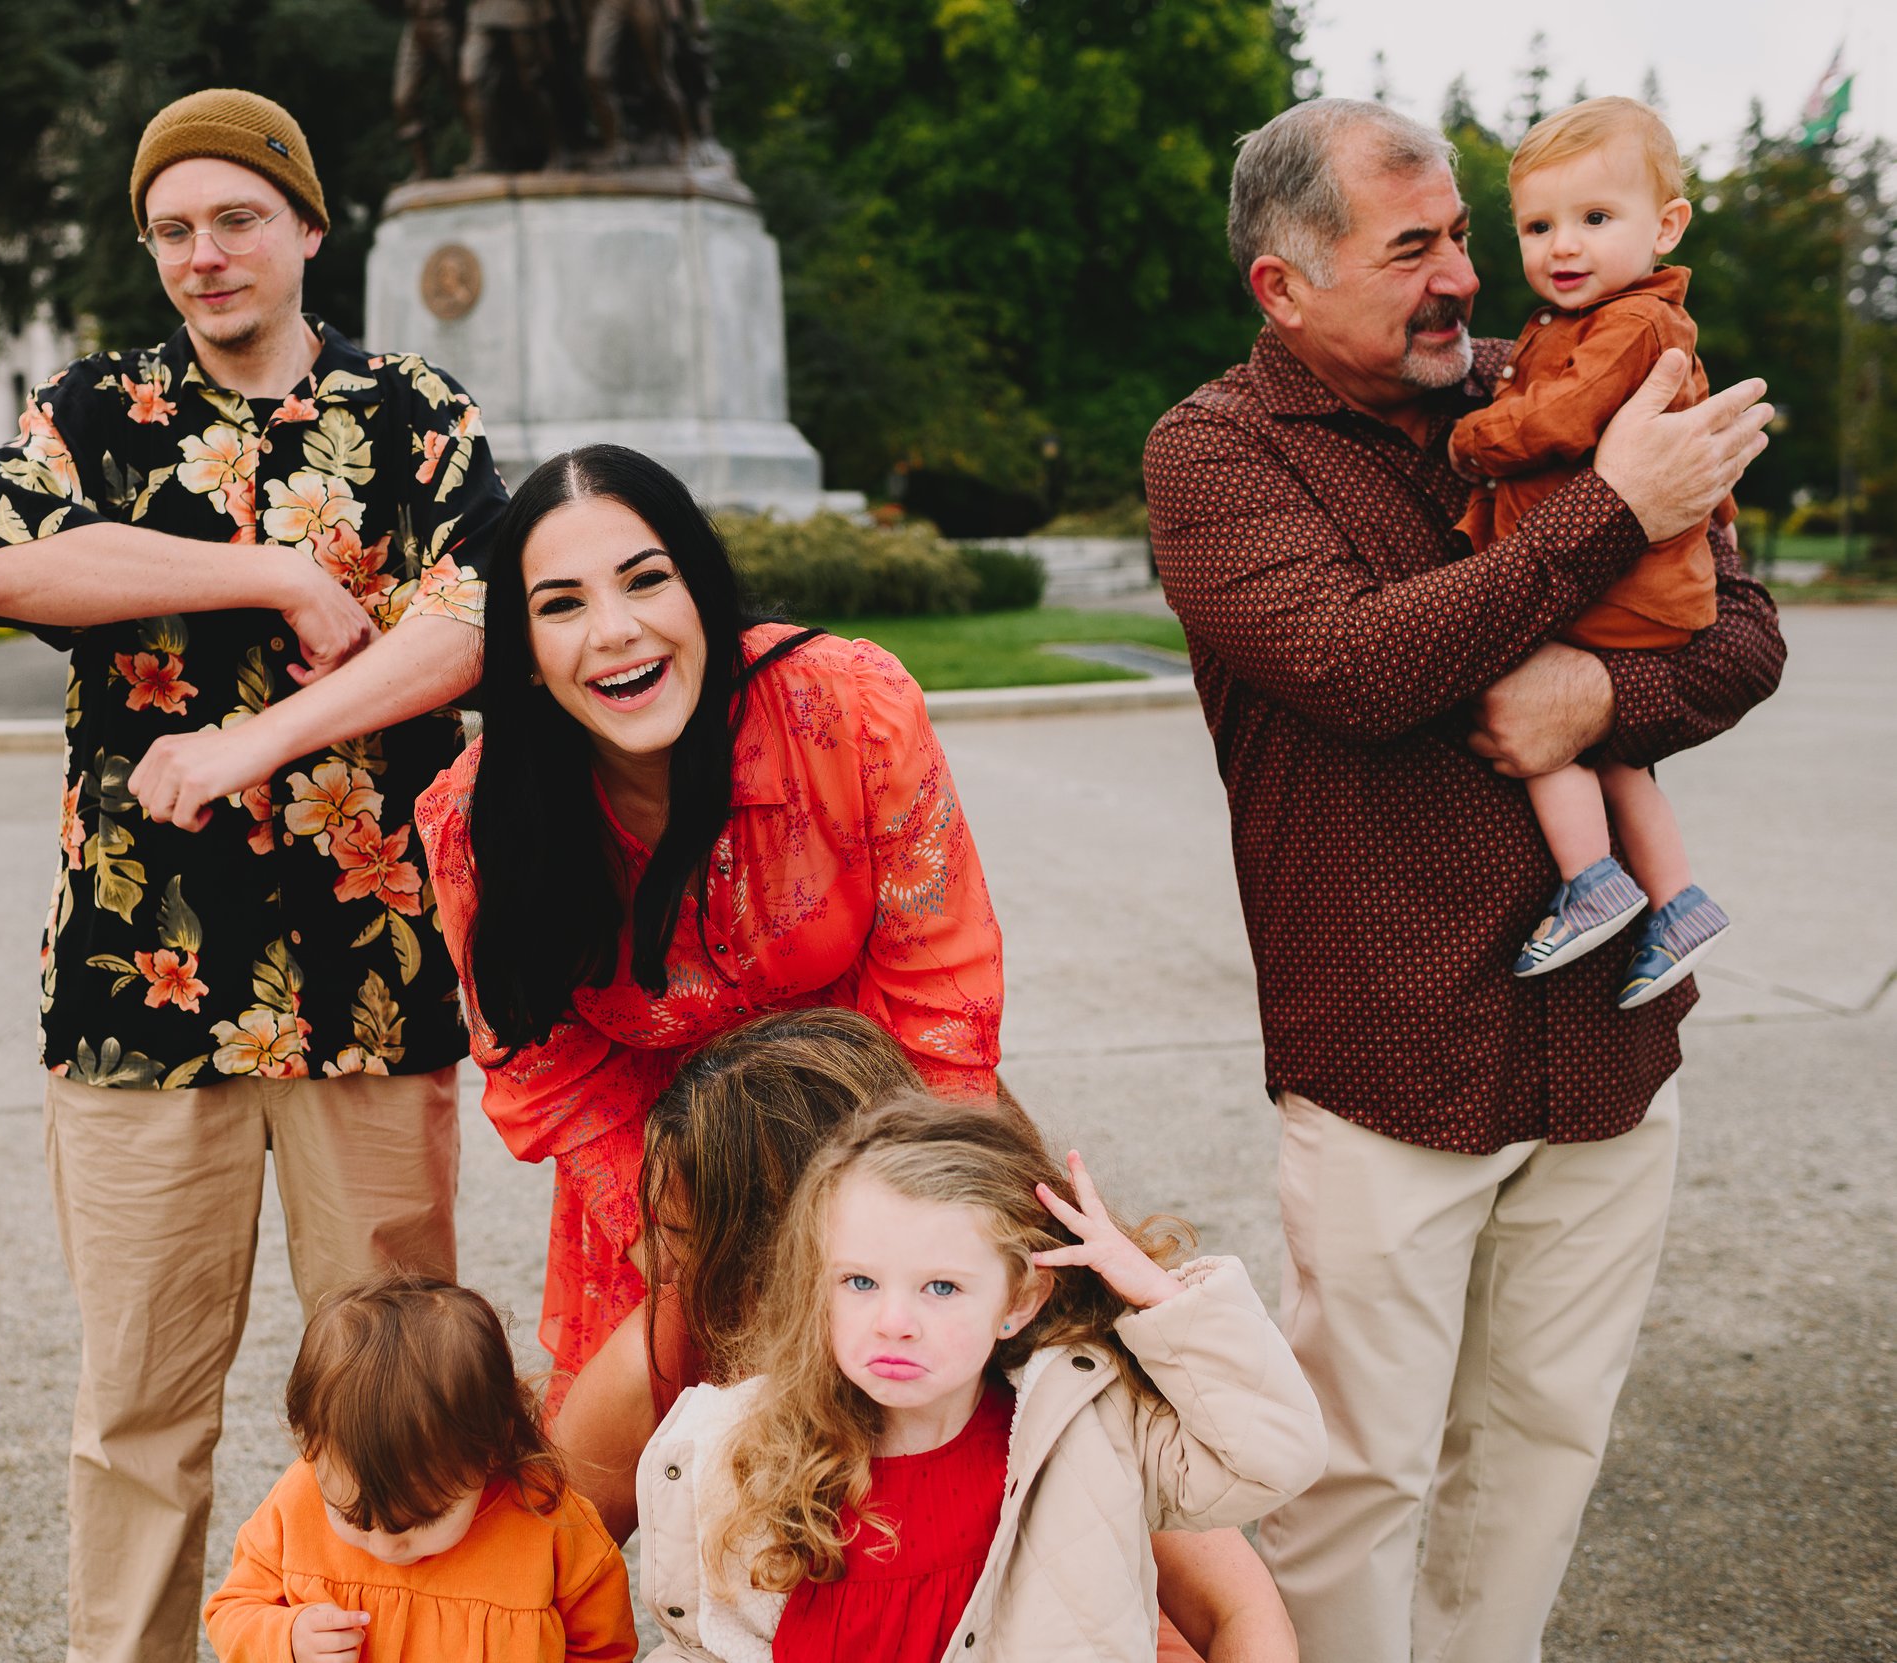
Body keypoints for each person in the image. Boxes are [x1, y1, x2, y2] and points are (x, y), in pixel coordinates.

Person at [1142, 97, 1782, 1663]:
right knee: (1350, 1470)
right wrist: (1614, 508)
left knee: (1545, 1442)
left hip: (1612, 1037)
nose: (1469, 282)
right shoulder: (1215, 453)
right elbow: (1360, 665)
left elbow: (1746, 631)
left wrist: (1604, 700)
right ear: (1282, 289)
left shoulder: (1569, 380)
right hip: (1394, 1053)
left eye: (1464, 241)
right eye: (1412, 249)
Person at [0, 88, 509, 1663]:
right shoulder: (92, 415)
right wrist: (270, 572)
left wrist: (253, 742)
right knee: (140, 1398)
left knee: (401, 1385)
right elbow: (2, 564)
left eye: (237, 219)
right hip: (142, 980)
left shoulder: (413, 411)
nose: (205, 256)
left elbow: (468, 625)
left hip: (368, 970)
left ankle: (415, 1639)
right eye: (174, 231)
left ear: (309, 229)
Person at [413, 444, 1004, 1388]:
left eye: (646, 580)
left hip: (888, 1116)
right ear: (522, 658)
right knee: (643, 1480)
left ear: (704, 592)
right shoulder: (474, 824)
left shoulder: (854, 711)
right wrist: (689, 1259)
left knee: (1012, 1411)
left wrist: (897, 1235)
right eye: (560, 604)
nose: (614, 631)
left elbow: (945, 1002)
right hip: (657, 1183)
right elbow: (552, 1084)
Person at [552, 1007, 1301, 1662]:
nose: (655, 1264)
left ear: (789, 1243)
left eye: (687, 1238)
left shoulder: (1048, 1387)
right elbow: (524, 1578)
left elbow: (1239, 1607)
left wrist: (1169, 1304)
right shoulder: (674, 1352)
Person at [1451, 96, 1736, 1005]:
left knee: (1538, 716)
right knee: (1619, 756)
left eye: (1595, 219)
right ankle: (1679, 899)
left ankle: (1592, 882)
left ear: (1667, 226)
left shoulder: (1632, 325)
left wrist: (1473, 439)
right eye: (1539, 225)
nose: (1562, 246)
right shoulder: (1584, 323)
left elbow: (1562, 419)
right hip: (1640, 580)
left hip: (1624, 585)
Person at [202, 1274, 636, 1662]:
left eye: (422, 1520)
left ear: (492, 1449)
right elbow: (231, 1610)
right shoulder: (299, 1497)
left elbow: (604, 1649)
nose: (388, 1549)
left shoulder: (552, 1523)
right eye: (354, 1517)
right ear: (314, 1448)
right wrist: (288, 1638)